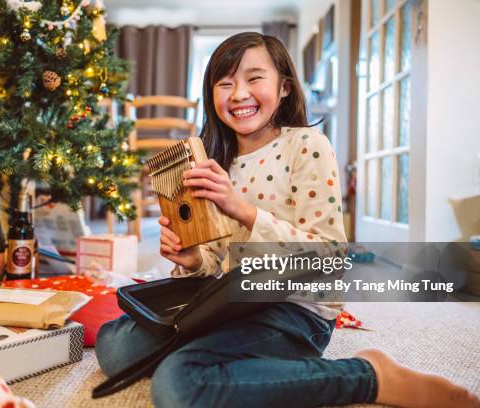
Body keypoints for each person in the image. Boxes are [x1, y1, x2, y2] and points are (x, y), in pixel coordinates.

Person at [95, 32, 479, 408]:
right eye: (225, 83)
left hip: (294, 309)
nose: (239, 94)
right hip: (225, 304)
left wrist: (240, 208)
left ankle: (367, 376)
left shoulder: (307, 146)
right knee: (114, 346)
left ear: (284, 88)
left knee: (181, 384)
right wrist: (194, 259)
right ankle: (233, 356)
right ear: (211, 96)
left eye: (255, 78)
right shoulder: (213, 161)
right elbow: (216, 260)